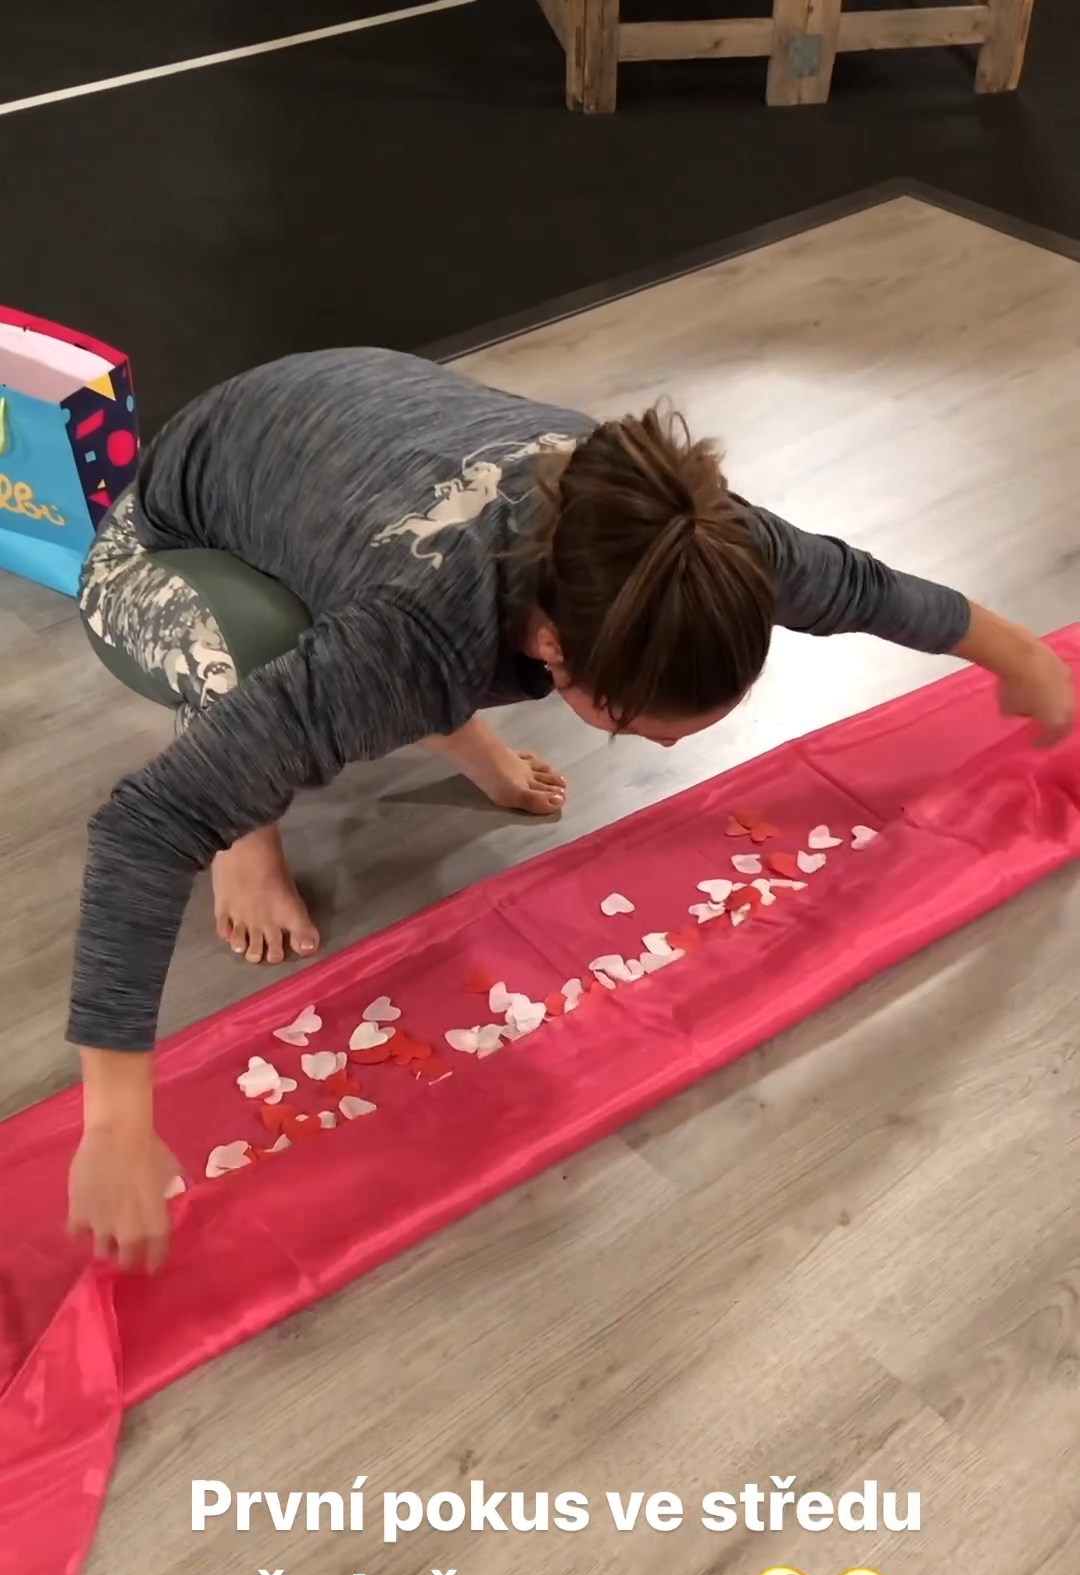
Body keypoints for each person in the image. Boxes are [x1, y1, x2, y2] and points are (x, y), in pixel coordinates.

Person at [66, 347, 1074, 1272]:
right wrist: (113, 1125)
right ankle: (249, 833)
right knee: (267, 670)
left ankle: (424, 726)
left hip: (351, 452)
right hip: (165, 534)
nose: (667, 748)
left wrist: (1019, 655)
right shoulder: (404, 638)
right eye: (638, 725)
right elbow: (144, 829)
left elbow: (860, 585)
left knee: (397, 654)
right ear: (552, 649)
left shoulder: (708, 546)